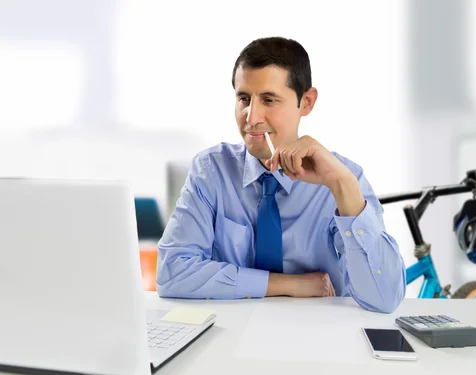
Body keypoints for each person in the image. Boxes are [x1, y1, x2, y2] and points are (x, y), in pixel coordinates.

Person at [156, 37, 406, 313]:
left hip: (318, 339)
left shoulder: (344, 177)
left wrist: (342, 185)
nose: (251, 118)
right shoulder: (211, 171)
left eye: (269, 99)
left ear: (306, 102)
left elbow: (384, 300)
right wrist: (288, 284)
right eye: (244, 99)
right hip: (231, 338)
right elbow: (172, 274)